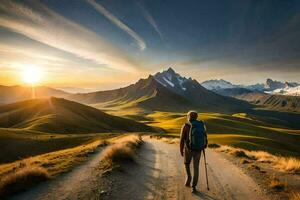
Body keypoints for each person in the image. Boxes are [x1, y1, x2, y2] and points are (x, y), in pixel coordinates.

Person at [180, 111, 208, 193]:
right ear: (196, 117)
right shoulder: (201, 125)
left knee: (187, 163)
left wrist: (181, 150)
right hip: (198, 149)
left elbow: (182, 139)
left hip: (188, 149)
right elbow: (205, 137)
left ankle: (188, 178)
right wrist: (203, 146)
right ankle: (194, 186)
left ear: (188, 116)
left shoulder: (185, 125)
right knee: (196, 168)